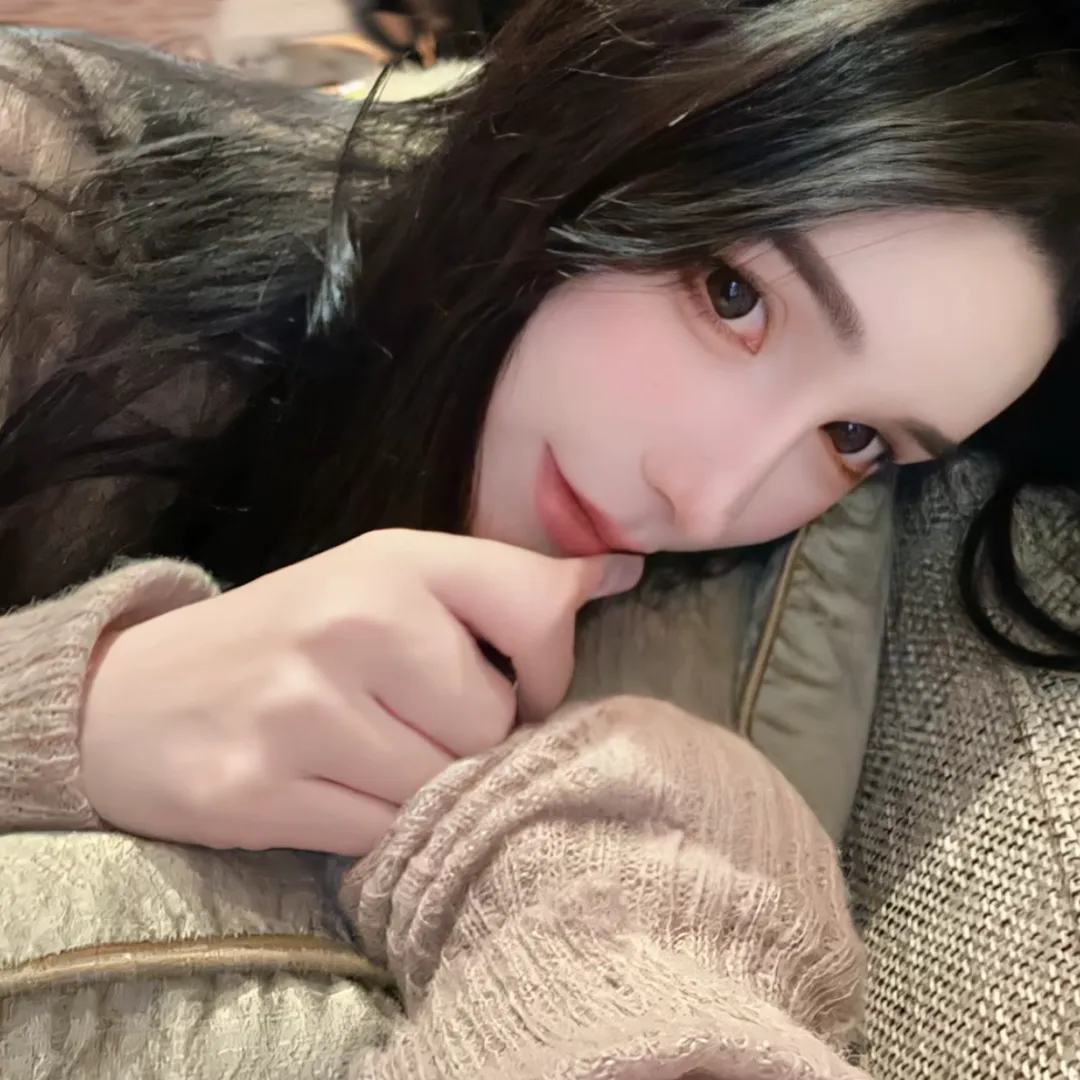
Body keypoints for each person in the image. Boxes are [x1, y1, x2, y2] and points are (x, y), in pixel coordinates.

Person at [0, 1, 1079, 1075]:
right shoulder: (42, 210)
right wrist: (74, 710)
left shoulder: (665, 648)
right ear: (604, 108)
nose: (704, 500)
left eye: (853, 439)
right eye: (733, 294)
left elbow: (636, 908)